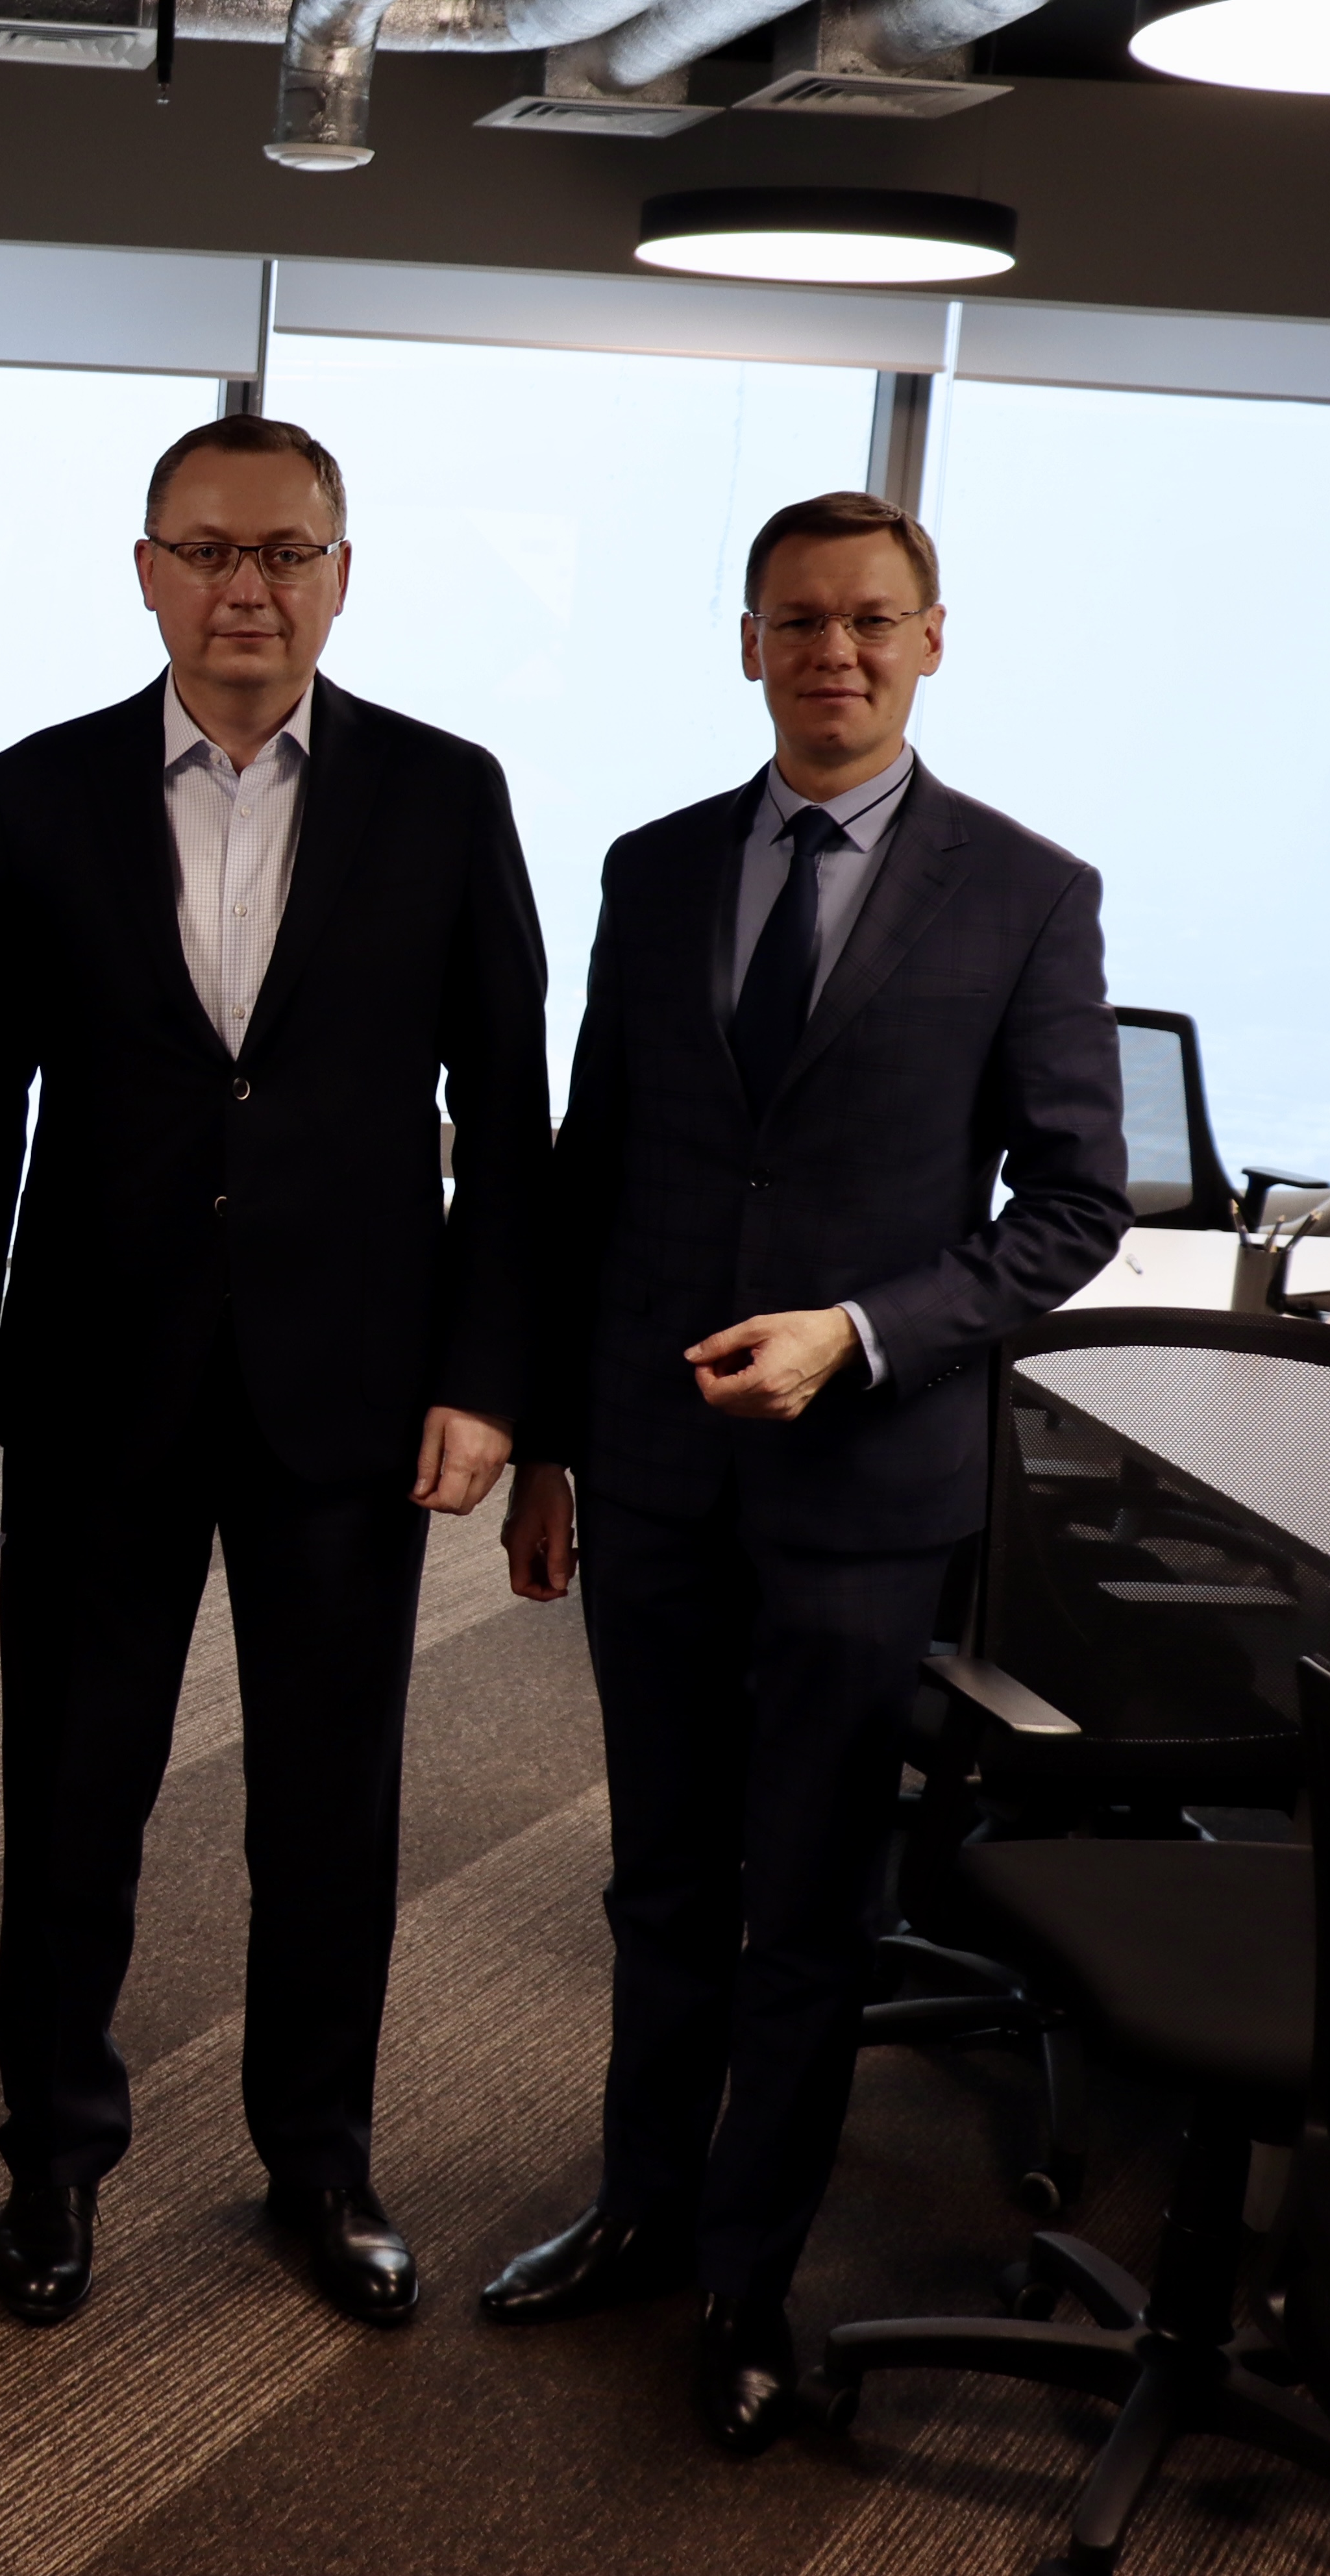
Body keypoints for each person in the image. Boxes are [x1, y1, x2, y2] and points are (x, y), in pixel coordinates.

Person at [482, 491, 1129, 2454]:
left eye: (869, 620)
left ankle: (750, 2279)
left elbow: (1075, 1203)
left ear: (931, 639)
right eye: (796, 619)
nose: (831, 652)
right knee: (663, 1876)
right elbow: (599, 1168)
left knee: (812, 1907)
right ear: (748, 642)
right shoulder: (658, 865)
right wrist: (551, 1444)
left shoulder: (1029, 892)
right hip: (657, 1475)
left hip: (868, 1491)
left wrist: (859, 1331)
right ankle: (643, 2212)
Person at [0, 414, 552, 2333]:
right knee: (77, 1798)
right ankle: (53, 2161)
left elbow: (508, 1117)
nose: (246, 588)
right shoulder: (32, 797)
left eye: (285, 553)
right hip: (96, 1378)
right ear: (146, 573)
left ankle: (322, 2163)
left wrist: (488, 1376)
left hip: (349, 1394)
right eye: (207, 550)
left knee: (329, 1806)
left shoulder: (446, 797)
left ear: (341, 578)